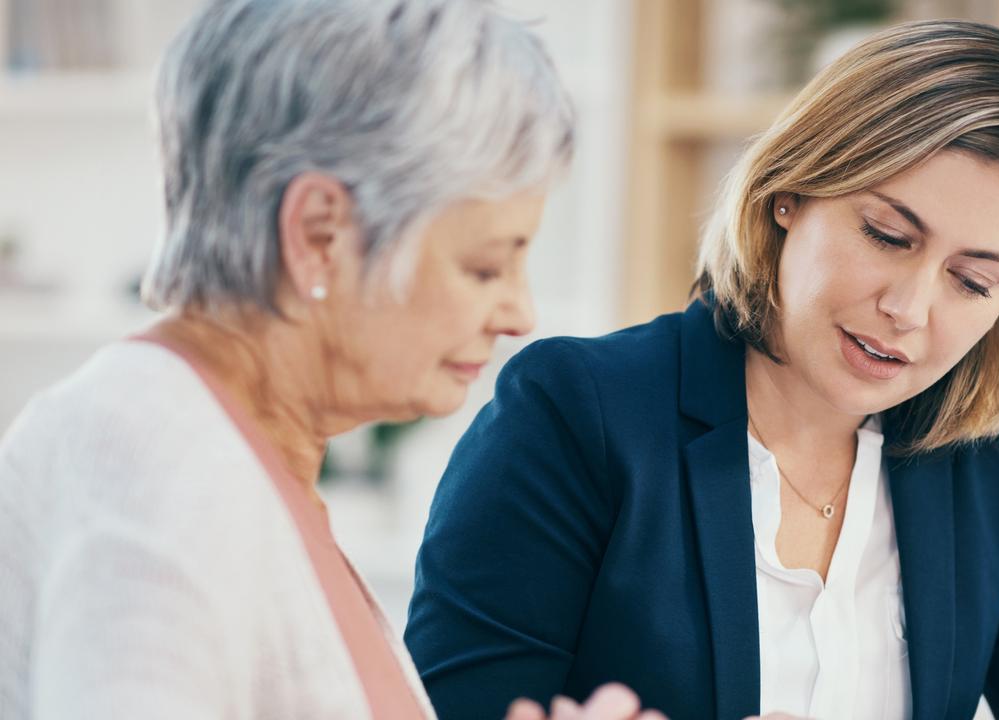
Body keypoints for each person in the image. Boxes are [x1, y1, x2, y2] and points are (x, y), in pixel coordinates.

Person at [404, 19, 999, 720]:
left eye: (972, 281)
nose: (908, 308)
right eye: (887, 235)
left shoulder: (988, 462)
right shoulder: (575, 411)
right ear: (790, 192)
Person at [0, 1, 656, 718]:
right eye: (484, 267)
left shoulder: (230, 456)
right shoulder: (159, 468)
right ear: (318, 234)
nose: (519, 315)